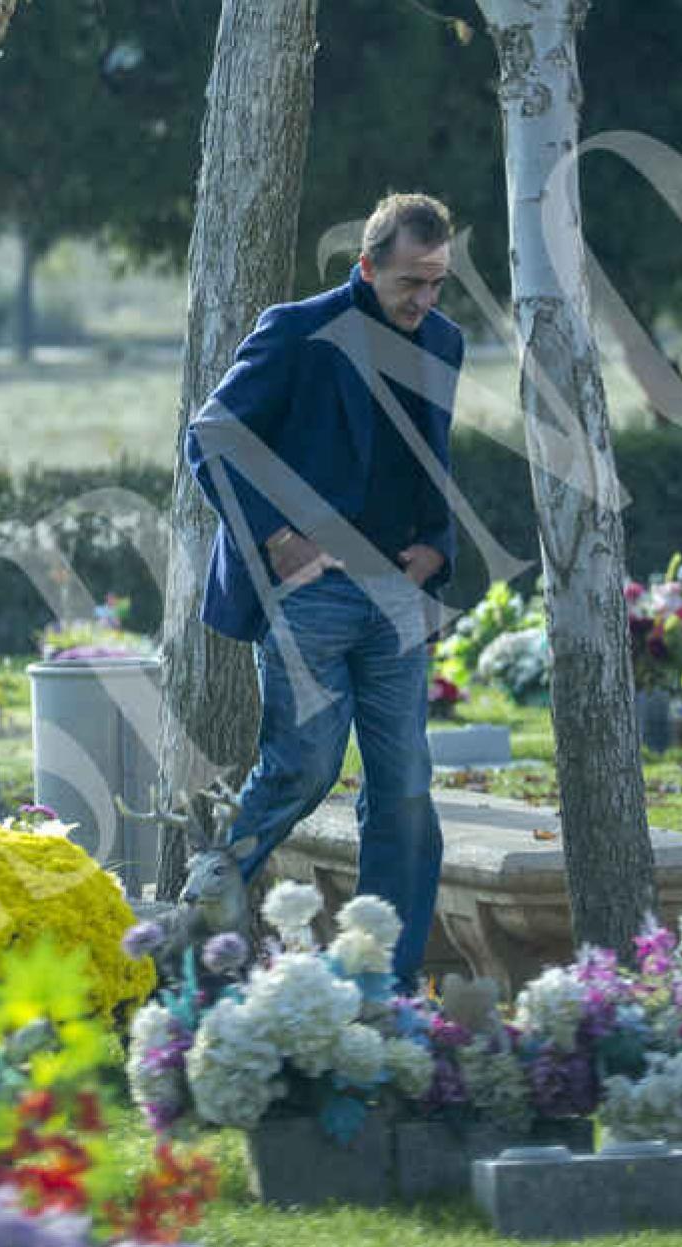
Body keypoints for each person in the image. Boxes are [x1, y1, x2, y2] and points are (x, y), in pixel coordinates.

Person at [185, 193, 463, 992]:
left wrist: (436, 549)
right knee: (303, 767)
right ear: (367, 266)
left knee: (405, 786)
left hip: (396, 595)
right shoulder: (295, 331)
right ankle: (201, 917)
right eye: (412, 282)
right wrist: (277, 537)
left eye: (438, 282)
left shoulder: (442, 340)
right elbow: (212, 437)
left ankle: (384, 984)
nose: (426, 301)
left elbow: (430, 461)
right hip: (308, 592)